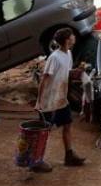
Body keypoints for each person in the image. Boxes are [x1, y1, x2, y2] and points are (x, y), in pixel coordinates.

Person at [34, 28, 86, 173]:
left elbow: (66, 73)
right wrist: (39, 101)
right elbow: (44, 80)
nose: (74, 37)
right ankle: (37, 160)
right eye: (72, 36)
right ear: (67, 40)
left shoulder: (68, 54)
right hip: (49, 100)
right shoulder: (54, 57)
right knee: (45, 131)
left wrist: (77, 72)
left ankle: (69, 155)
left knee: (67, 124)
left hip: (61, 98)